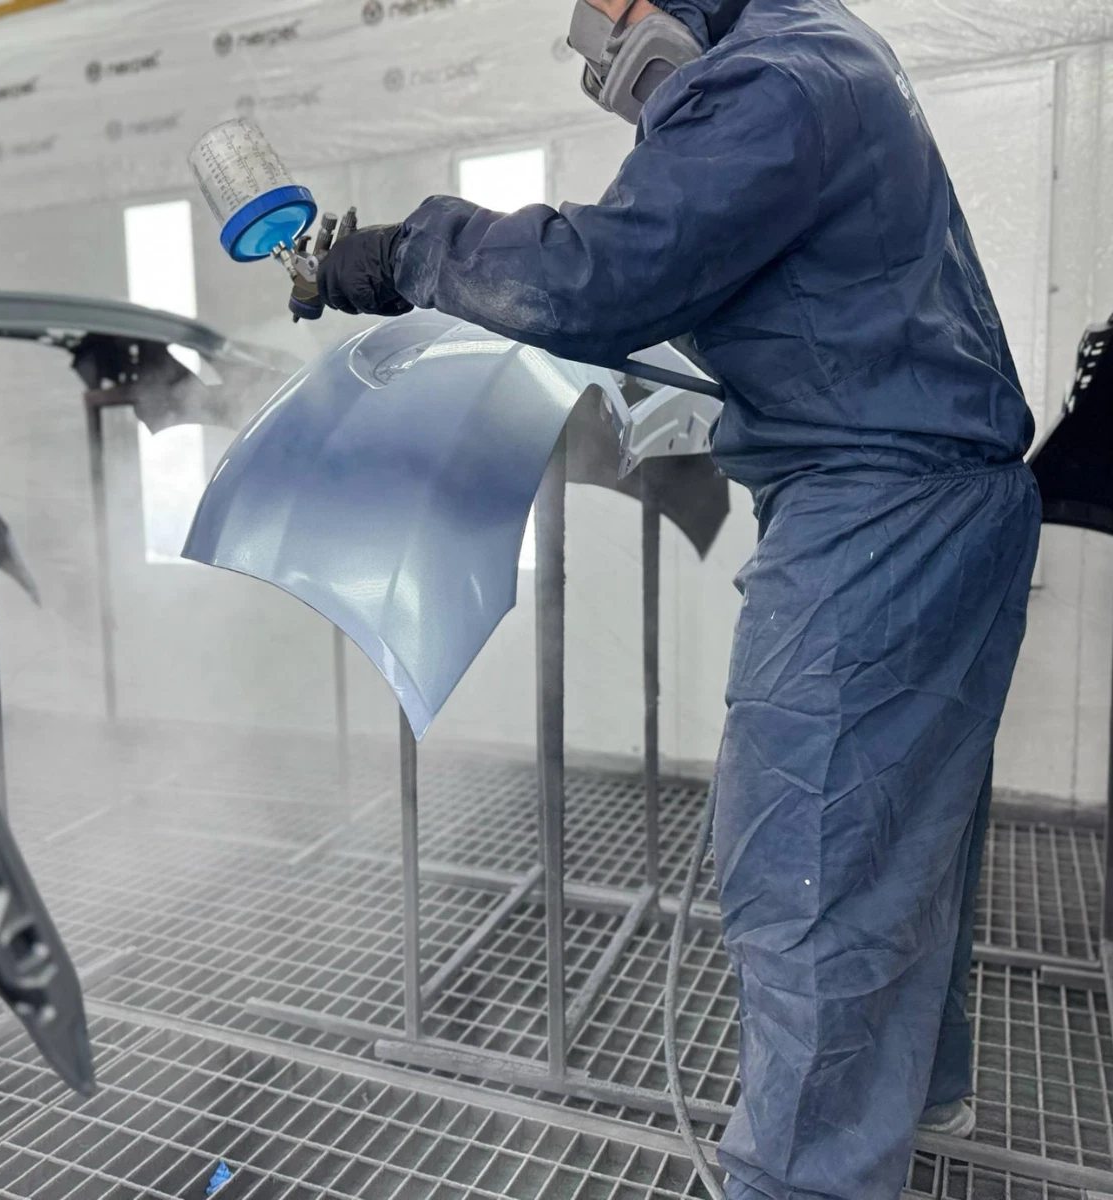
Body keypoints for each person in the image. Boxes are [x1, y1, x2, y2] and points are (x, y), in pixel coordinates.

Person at [318, 0, 1041, 1197]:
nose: (592, 38)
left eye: (602, 7)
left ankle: (806, 1177)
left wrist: (403, 254)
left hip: (876, 512)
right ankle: (913, 1097)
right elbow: (777, 290)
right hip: (940, 493)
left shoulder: (765, 81)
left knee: (805, 868)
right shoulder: (828, 48)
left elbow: (600, 273)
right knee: (901, 840)